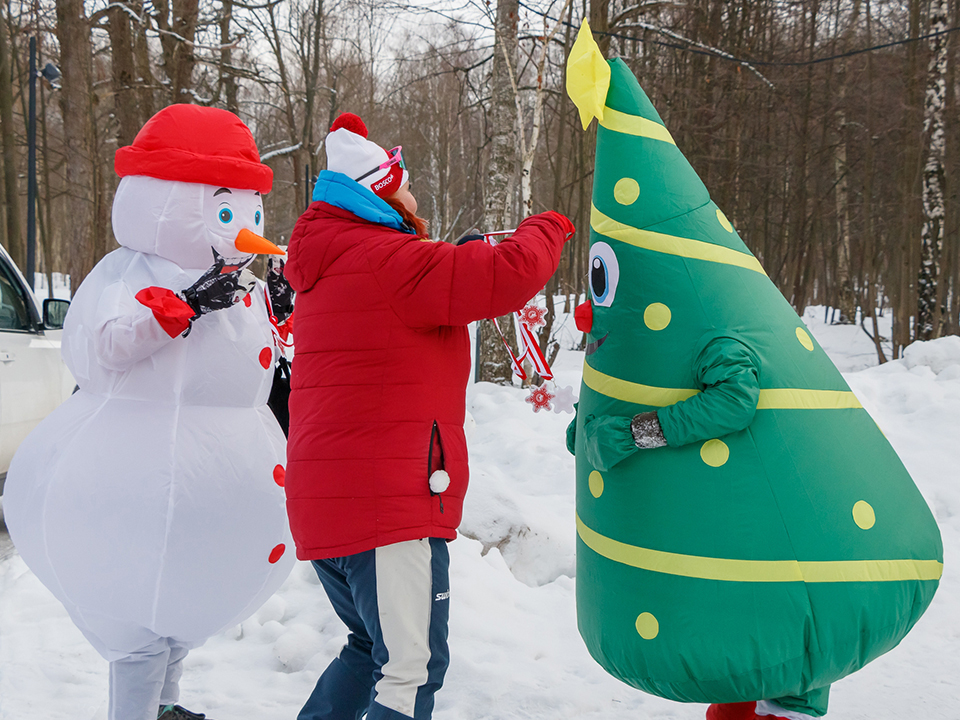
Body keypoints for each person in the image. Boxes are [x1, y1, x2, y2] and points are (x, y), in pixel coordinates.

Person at [282, 112, 574, 720]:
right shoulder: (390, 260)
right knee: (410, 671)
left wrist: (452, 263)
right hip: (384, 508)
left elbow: (415, 305)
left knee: (370, 648)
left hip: (331, 504)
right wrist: (548, 225)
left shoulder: (335, 259)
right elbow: (509, 274)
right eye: (405, 184)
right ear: (381, 191)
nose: (414, 196)